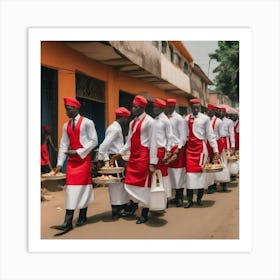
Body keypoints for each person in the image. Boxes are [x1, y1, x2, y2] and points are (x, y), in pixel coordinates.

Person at [52, 97, 98, 235]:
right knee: (72, 189)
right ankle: (71, 220)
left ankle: (77, 218)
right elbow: (64, 144)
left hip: (83, 160)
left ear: (76, 108)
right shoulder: (65, 125)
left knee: (83, 188)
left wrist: (78, 152)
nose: (66, 112)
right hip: (72, 162)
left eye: (69, 109)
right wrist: (60, 164)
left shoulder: (88, 123)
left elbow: (94, 141)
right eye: (66, 109)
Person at [110, 95, 154, 224]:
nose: (132, 109)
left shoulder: (149, 121)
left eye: (135, 107)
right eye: (132, 106)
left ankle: (144, 213)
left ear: (142, 107)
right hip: (134, 156)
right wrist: (120, 153)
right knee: (129, 183)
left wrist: (152, 163)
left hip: (144, 157)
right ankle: (134, 206)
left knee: (144, 186)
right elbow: (129, 141)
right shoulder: (132, 122)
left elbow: (153, 143)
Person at [184, 99, 220, 208]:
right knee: (189, 175)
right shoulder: (186, 118)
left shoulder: (205, 119)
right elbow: (184, 135)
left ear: (200, 107)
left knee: (200, 175)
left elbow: (210, 135)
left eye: (197, 107)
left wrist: (216, 151)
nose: (196, 109)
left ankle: (199, 199)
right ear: (190, 106)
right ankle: (190, 200)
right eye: (194, 107)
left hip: (201, 150)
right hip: (190, 150)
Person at [97, 107, 132, 219]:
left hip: (116, 157)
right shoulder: (115, 129)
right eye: (126, 118)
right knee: (117, 185)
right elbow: (103, 146)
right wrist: (103, 160)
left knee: (120, 183)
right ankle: (117, 210)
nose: (126, 121)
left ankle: (121, 207)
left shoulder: (114, 127)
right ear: (122, 118)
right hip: (115, 158)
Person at [149, 98, 180, 207]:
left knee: (163, 174)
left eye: (156, 107)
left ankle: (165, 197)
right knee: (154, 174)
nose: (154, 109)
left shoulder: (165, 120)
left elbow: (170, 137)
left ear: (161, 108)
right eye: (154, 107)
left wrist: (167, 152)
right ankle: (155, 197)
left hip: (161, 150)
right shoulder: (154, 119)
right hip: (153, 150)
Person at [164, 98, 187, 207]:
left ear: (172, 107)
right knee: (170, 173)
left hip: (177, 147)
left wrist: (178, 149)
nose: (166, 108)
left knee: (179, 173)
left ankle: (180, 197)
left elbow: (183, 136)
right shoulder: (164, 118)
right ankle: (175, 196)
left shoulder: (179, 119)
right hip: (167, 148)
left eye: (168, 106)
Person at [205, 104, 224, 194]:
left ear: (214, 111)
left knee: (216, 163)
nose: (209, 112)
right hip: (206, 144)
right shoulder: (204, 120)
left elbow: (221, 135)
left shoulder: (219, 121)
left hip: (216, 143)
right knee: (208, 165)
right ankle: (210, 185)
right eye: (208, 110)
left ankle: (220, 181)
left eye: (211, 110)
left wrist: (218, 149)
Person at [218, 105, 235, 191]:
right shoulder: (216, 120)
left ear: (225, 113)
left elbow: (232, 134)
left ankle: (224, 183)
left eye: (222, 111)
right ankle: (218, 180)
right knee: (218, 162)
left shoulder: (229, 122)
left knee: (226, 163)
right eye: (219, 111)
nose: (220, 113)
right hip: (218, 142)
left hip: (226, 142)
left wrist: (232, 146)